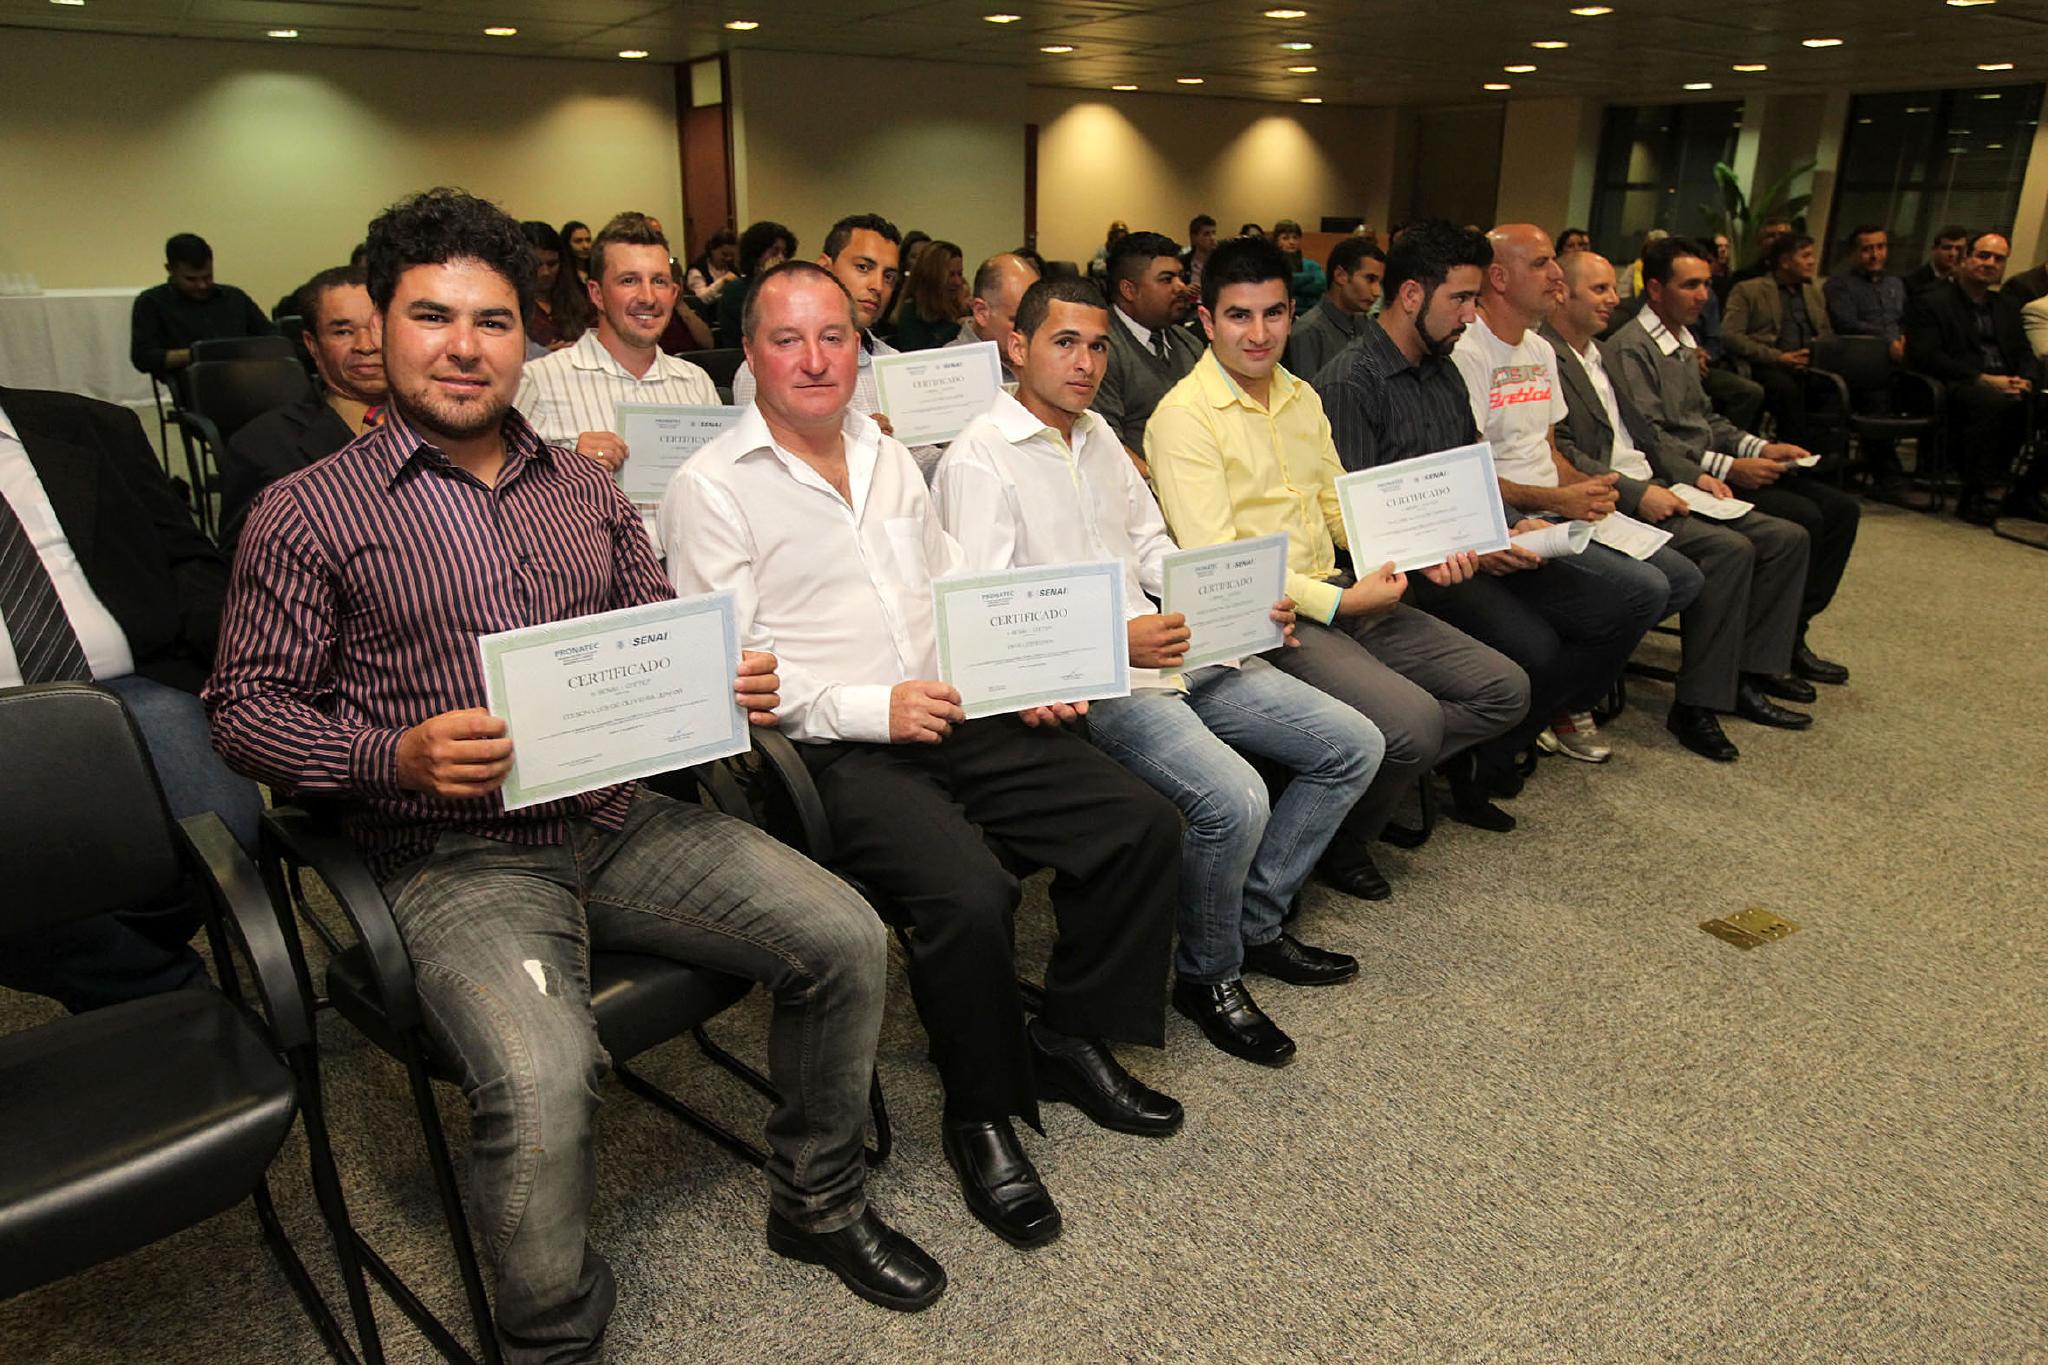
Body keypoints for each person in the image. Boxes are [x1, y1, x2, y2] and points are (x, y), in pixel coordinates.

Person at [206, 191, 942, 1355]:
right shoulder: (306, 514)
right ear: (379, 331)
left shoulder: (585, 491)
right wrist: (390, 754)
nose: (464, 347)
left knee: (845, 936)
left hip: (613, 816)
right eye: (432, 317)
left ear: (527, 339)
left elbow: (656, 636)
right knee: (543, 1077)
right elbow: (244, 714)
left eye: (493, 321)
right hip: (452, 856)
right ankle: (549, 1335)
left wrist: (715, 679)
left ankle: (819, 1200)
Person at [662, 260, 1183, 1252]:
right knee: (970, 891)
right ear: (750, 353)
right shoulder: (711, 488)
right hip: (836, 751)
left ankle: (1067, 1035)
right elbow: (739, 679)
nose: (815, 359)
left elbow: (952, 590)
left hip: (954, 707)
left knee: (1140, 823)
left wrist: (1023, 670)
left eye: (833, 337)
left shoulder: (888, 455)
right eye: (787, 340)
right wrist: (875, 708)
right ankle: (981, 1115)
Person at [932, 275, 1384, 1067]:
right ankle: (1209, 974)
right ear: (1017, 347)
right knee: (1235, 799)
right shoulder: (980, 457)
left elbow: (1151, 547)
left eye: (1098, 346)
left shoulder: (1098, 436)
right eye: (1064, 343)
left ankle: (1251, 921)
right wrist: (1120, 640)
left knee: (1353, 745)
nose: (1086, 363)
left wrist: (1233, 603)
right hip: (1096, 682)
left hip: (1168, 647)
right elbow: (991, 621)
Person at [1154, 233, 1529, 899]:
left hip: (1345, 588)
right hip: (1275, 618)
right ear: (1207, 321)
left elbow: (1339, 507)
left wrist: (1417, 552)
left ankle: (1335, 806)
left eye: (1274, 313)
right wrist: (1340, 603)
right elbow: (1221, 562)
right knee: (1413, 725)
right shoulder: (1184, 418)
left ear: (1291, 314)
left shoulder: (1300, 394)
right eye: (1239, 315)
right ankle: (1339, 833)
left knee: (1504, 689)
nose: (1259, 333)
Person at [0, 383, 259, 1014]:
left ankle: (124, 963)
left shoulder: (90, 426)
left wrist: (240, 665)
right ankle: (158, 991)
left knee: (222, 832)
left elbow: (189, 560)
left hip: (133, 687)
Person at [1544, 250, 1815, 762]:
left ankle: (1749, 674)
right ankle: (1698, 703)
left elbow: (1649, 436)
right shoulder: (1547, 355)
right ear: (1563, 294)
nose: (1613, 299)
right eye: (1599, 289)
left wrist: (1697, 475)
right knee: (1728, 552)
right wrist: (1637, 492)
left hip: (1657, 480)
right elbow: (1565, 453)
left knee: (1786, 537)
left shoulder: (1601, 354)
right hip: (1613, 494)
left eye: (1612, 287)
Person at [1432, 223, 1678, 770]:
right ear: (1499, 277)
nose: (1557, 276)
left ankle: (1560, 700)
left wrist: (1581, 488)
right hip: (1513, 512)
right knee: (1643, 591)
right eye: (1542, 263)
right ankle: (1556, 710)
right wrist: (1558, 502)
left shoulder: (1541, 349)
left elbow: (1548, 451)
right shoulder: (1468, 352)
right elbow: (1467, 473)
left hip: (1551, 505)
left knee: (1680, 578)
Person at [1607, 236, 1857, 684]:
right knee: (1802, 519)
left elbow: (1706, 419)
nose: (1703, 295)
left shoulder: (1682, 340)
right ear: (1656, 289)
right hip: (1681, 475)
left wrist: (1759, 447)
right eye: (1690, 285)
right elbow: (1653, 439)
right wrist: (1728, 467)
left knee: (1841, 509)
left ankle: (1788, 636)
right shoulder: (1634, 349)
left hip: (1709, 465)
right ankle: (1760, 652)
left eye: (1706, 284)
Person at [514, 212, 718, 493]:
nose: (648, 297)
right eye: (629, 281)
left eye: (659, 281)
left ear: (674, 293)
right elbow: (500, 491)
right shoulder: (539, 381)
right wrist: (565, 465)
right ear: (597, 294)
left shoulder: (696, 383)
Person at [731, 213, 946, 475]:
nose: (878, 286)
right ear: (826, 267)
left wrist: (966, 449)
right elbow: (760, 469)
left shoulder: (895, 362)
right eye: (863, 267)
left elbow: (920, 461)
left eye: (889, 276)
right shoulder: (769, 364)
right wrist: (856, 441)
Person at [218, 265, 388, 562]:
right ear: (313, 345)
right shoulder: (262, 448)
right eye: (343, 331)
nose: (366, 345)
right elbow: (248, 568)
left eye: (378, 327)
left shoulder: (451, 422)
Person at [1904, 231, 2042, 523]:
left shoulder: (2004, 306)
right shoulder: (1931, 300)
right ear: (1965, 258)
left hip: (2004, 383)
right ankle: (1974, 495)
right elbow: (1926, 355)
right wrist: (1983, 378)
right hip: (1953, 383)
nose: (1990, 263)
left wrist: (2026, 378)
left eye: (1998, 259)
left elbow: (2024, 352)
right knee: (1992, 404)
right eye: (1983, 255)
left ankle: (2024, 493)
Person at [1095, 230, 1204, 471]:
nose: (1181, 287)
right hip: (1139, 486)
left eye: (1181, 277)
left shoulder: (1190, 345)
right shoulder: (1100, 350)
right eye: (1166, 279)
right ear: (1129, 290)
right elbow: (1104, 444)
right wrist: (1160, 484)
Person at [1723, 233, 1840, 450]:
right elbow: (1731, 335)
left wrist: (1816, 353)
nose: (1812, 261)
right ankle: (1794, 454)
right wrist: (1779, 357)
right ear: (1785, 261)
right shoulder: (1749, 289)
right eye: (1805, 256)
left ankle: (1825, 454)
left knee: (1837, 385)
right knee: (1787, 389)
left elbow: (1826, 332)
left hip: (1810, 364)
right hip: (1768, 364)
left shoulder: (1813, 292)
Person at [1822, 224, 1912, 493]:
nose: (1875, 255)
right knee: (1876, 395)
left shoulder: (1896, 284)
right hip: (1857, 362)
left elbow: (1904, 320)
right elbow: (1847, 323)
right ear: (1853, 253)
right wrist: (1888, 340)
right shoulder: (1839, 285)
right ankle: (1888, 474)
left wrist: (1904, 339)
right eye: (1867, 249)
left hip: (1898, 361)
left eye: (1880, 247)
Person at [129, 232, 274, 377]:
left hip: (246, 376)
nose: (202, 285)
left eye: (208, 277)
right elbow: (143, 358)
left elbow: (271, 337)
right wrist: (201, 353)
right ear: (170, 269)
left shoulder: (234, 297)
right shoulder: (152, 302)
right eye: (191, 279)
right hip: (192, 380)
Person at [1283, 237, 1383, 381]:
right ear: (1340, 275)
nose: (1377, 291)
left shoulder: (1366, 324)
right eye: (1370, 279)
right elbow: (1308, 392)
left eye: (1379, 282)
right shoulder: (1308, 331)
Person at [948, 252, 1040, 380]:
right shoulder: (947, 372)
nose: (1032, 331)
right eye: (1018, 321)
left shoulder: (1043, 357)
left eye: (1036, 320)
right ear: (981, 312)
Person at [714, 219, 796, 346]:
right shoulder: (734, 291)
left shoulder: (792, 289)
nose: (781, 259)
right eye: (774, 252)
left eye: (784, 253)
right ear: (756, 254)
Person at [518, 221, 590, 349]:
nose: (545, 272)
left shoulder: (580, 298)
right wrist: (542, 355)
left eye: (552, 264)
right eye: (537, 265)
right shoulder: (510, 304)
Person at [891, 239, 968, 351]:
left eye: (959, 274)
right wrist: (957, 327)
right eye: (951, 275)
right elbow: (919, 356)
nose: (958, 282)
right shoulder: (911, 312)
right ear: (933, 276)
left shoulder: (962, 308)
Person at [1274, 220, 1326, 311]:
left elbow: (1320, 286)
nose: (1292, 242)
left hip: (1310, 312)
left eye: (1295, 238)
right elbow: (1277, 289)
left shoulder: (1312, 265)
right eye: (1285, 238)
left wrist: (1292, 283)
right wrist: (1309, 278)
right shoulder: (1271, 266)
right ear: (1276, 241)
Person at [1905, 225, 1969, 295]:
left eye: (1958, 249)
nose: (1952, 254)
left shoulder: (1964, 283)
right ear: (1934, 249)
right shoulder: (1911, 282)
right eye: (1947, 248)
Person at [686, 226, 740, 309]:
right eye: (724, 254)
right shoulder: (696, 270)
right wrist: (723, 281)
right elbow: (701, 298)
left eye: (731, 255)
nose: (728, 259)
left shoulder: (732, 268)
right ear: (712, 250)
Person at [1087, 220, 1129, 288]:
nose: (1119, 241)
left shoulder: (1128, 251)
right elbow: (1095, 267)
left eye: (1123, 238)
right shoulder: (1103, 250)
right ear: (1111, 237)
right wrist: (1110, 266)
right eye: (1117, 237)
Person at [1183, 214, 1218, 291]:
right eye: (1206, 234)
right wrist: (1184, 289)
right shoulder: (1183, 263)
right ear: (1194, 237)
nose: (1212, 238)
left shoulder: (1222, 261)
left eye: (1214, 233)